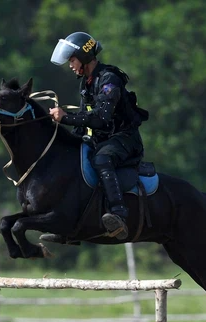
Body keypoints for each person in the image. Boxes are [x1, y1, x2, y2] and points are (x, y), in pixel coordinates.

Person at [49, 32, 148, 241]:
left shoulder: (109, 79)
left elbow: (101, 118)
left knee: (102, 159)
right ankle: (71, 227)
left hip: (125, 139)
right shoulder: (86, 82)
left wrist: (66, 118)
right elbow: (86, 118)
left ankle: (119, 214)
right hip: (104, 139)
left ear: (84, 57)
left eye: (72, 60)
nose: (70, 65)